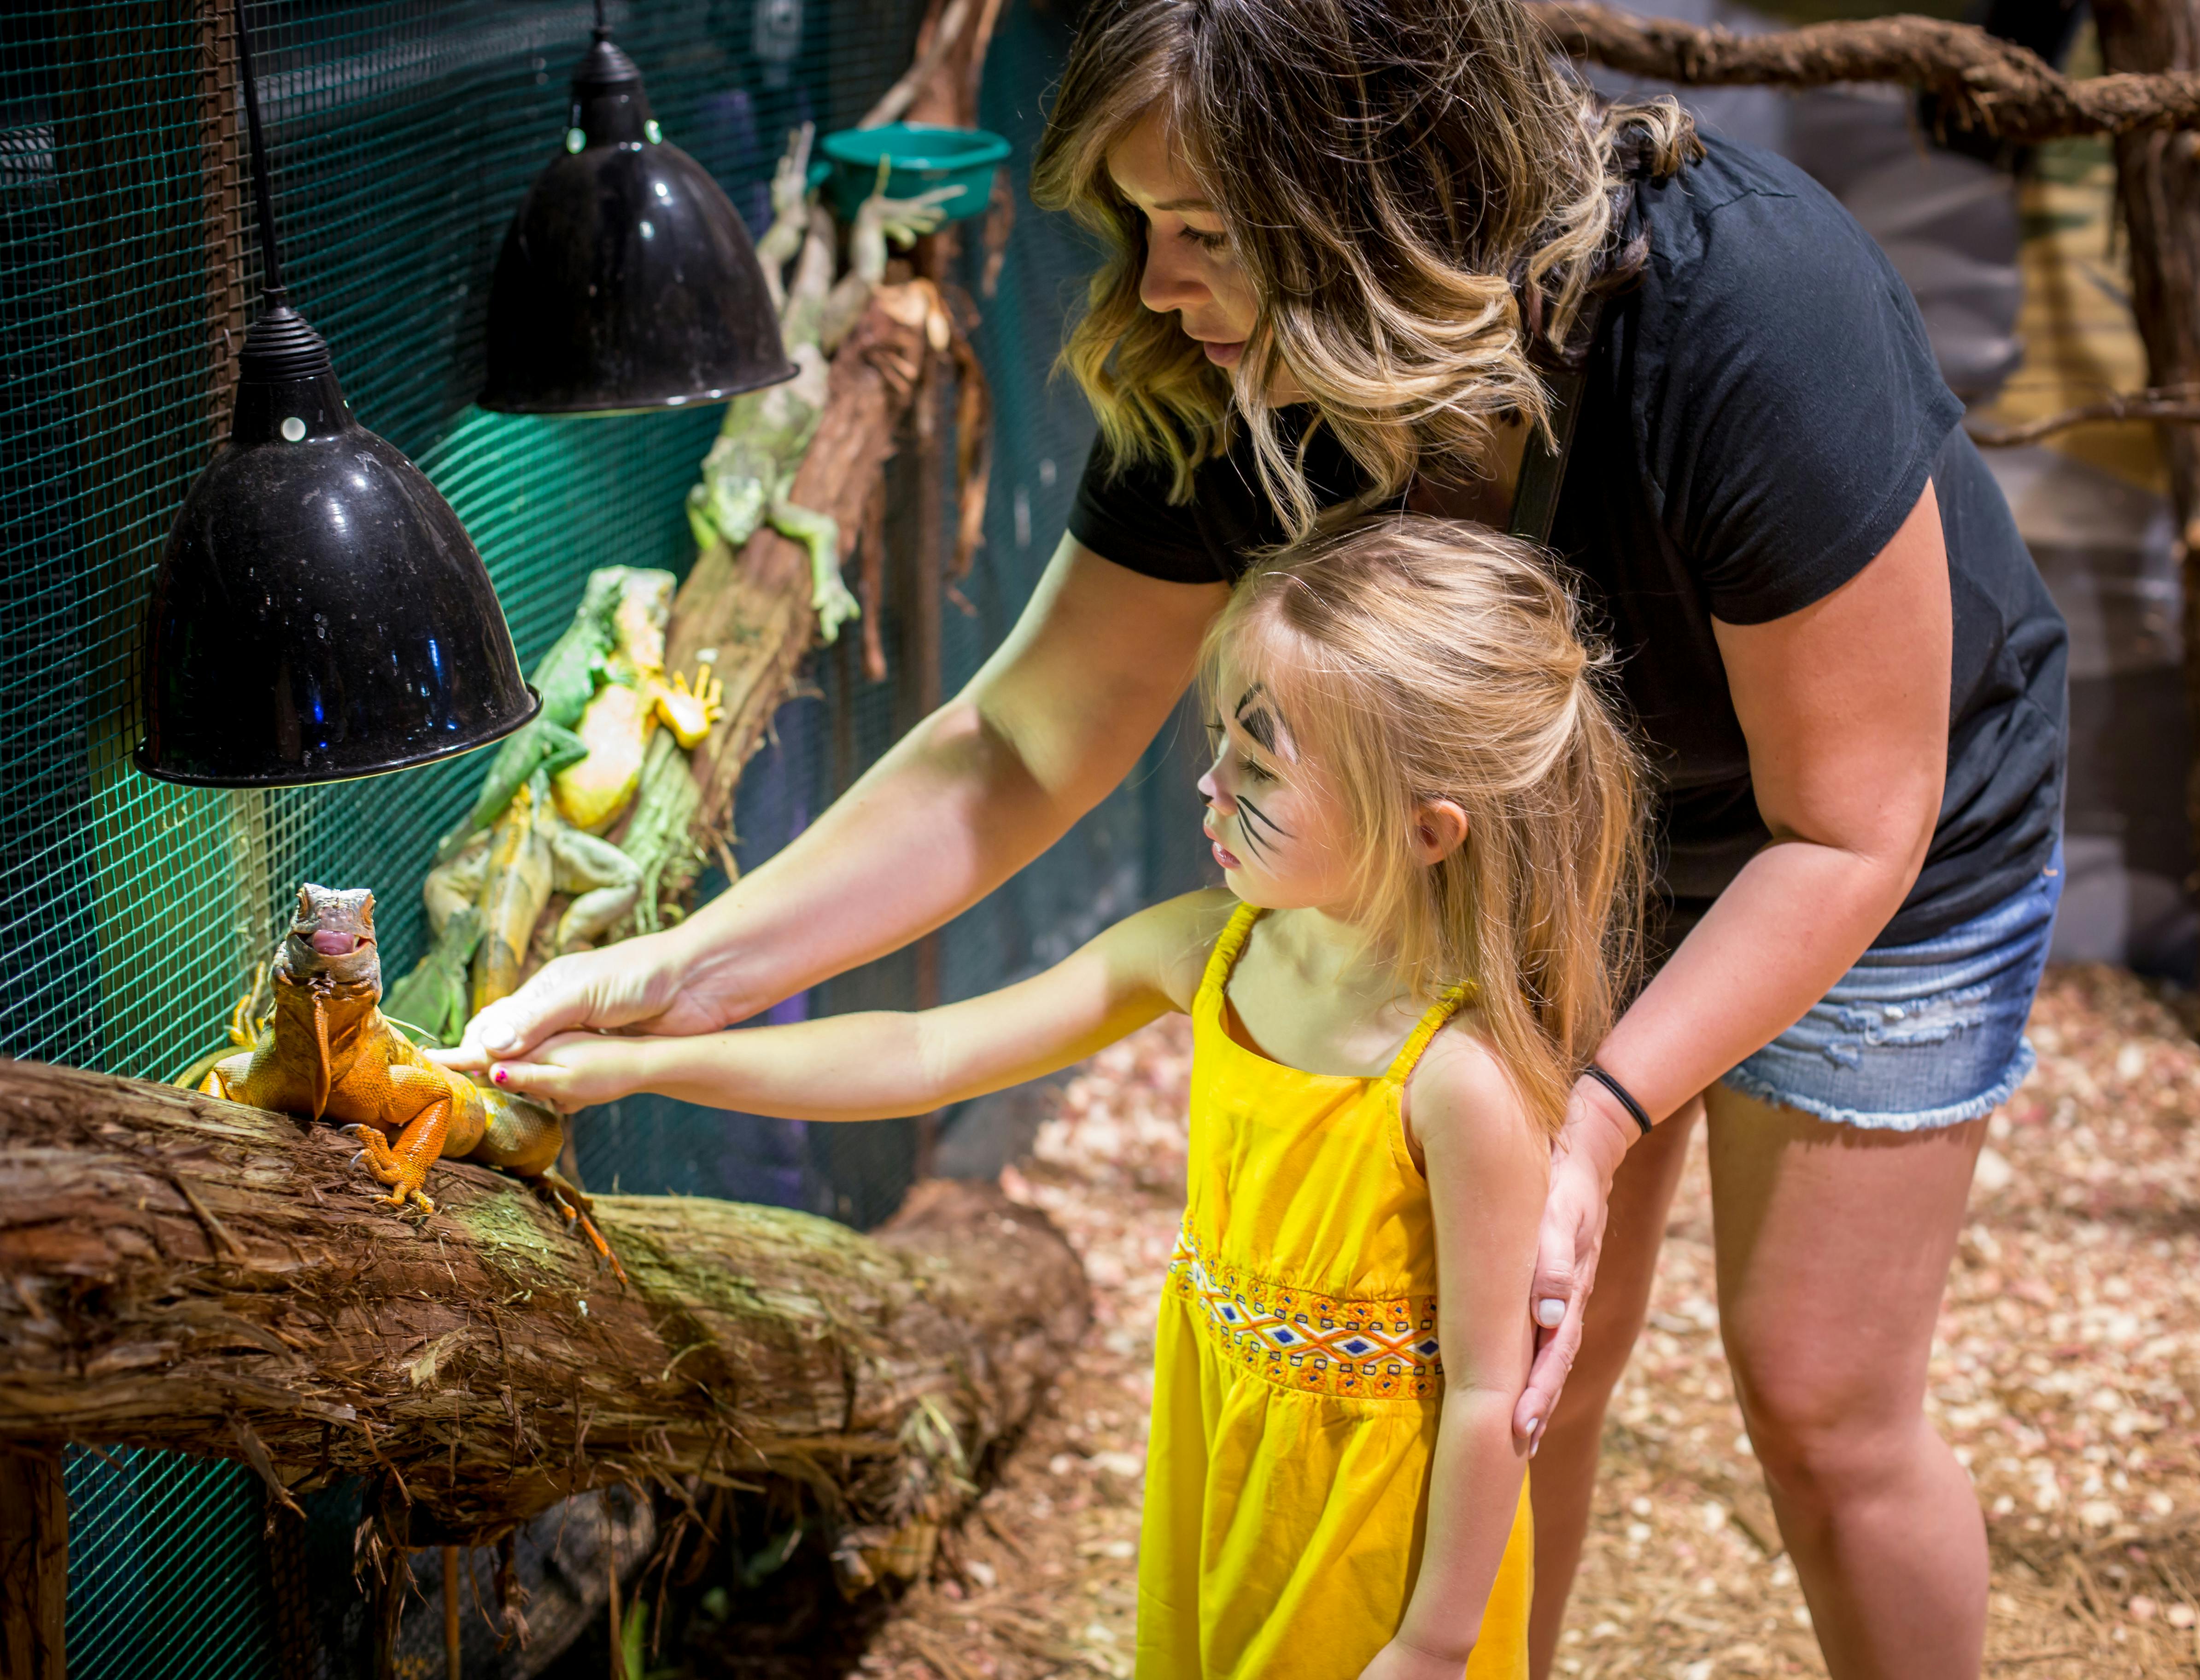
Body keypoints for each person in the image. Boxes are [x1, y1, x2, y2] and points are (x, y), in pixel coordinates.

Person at [448, 0, 2069, 1669]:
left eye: (1208, 232)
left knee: (1818, 1397)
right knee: (1531, 1370)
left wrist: (1595, 1118)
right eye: (1143, 226)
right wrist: (679, 970)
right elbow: (1018, 742)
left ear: (1382, 212)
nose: (1156, 285)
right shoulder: (1225, 377)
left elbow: (1848, 822)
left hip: (1858, 846)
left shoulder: (1746, 310)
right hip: (1519, 846)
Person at [483, 520, 1647, 1680]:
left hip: (1373, 1539)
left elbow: (1498, 1389)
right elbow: (928, 1053)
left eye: (1260, 763)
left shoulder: (1463, 1083)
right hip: (1221, 1466)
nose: (1207, 782)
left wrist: (1438, 1645)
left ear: (1426, 829)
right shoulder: (1208, 950)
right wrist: (644, 1060)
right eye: (1218, 742)